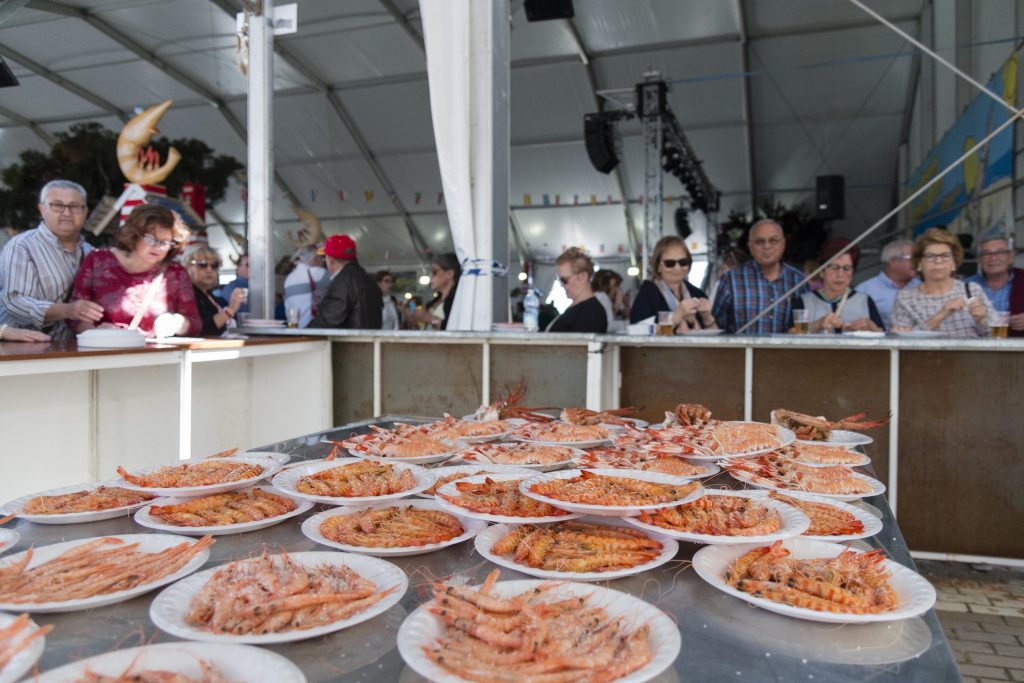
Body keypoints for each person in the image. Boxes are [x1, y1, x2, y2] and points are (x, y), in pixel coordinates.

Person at [71, 204, 201, 337]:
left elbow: (195, 323)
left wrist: (177, 323)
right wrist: (95, 333)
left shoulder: (176, 272)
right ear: (133, 235)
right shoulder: (98, 260)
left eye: (165, 243)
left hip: (155, 355)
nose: (157, 247)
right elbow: (75, 315)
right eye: (150, 239)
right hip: (104, 351)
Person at [0, 179, 103, 341]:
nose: (67, 213)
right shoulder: (22, 246)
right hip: (20, 349)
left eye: (75, 206)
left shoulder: (91, 253)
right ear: (42, 210)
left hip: (67, 350)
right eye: (57, 205)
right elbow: (14, 302)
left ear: (85, 212)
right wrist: (67, 310)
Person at [891, 227, 993, 337]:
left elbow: (998, 336)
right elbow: (900, 340)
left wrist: (982, 320)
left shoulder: (972, 290)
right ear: (919, 263)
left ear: (954, 262)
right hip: (925, 354)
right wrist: (942, 314)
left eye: (945, 256)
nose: (938, 261)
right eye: (930, 256)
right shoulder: (906, 298)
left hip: (969, 354)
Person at [712, 219, 808, 334]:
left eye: (773, 240)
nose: (767, 246)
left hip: (786, 351)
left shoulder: (799, 280)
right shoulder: (731, 280)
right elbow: (717, 327)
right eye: (759, 241)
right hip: (742, 351)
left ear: (783, 244)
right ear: (750, 247)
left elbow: (806, 327)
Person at [793, 238, 884, 333]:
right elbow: (792, 334)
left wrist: (871, 327)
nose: (840, 274)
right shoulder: (804, 301)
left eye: (847, 268)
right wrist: (818, 324)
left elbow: (883, 335)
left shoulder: (865, 301)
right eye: (834, 267)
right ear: (821, 271)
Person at [630, 235, 716, 333]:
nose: (677, 268)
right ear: (658, 266)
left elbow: (718, 340)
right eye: (670, 263)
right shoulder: (648, 292)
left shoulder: (697, 293)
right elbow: (637, 332)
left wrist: (707, 318)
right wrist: (676, 317)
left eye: (683, 262)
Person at [307, 234, 382, 329]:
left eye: (324, 257)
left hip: (351, 343)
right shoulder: (369, 279)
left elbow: (328, 322)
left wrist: (300, 335)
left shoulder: (343, 282)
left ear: (331, 260)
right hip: (368, 342)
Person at [967, 234, 1024, 336]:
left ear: (1011, 257)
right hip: (976, 348)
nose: (993, 258)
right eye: (986, 253)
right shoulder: (967, 286)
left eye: (1000, 252)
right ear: (979, 259)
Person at [856, 238, 919, 329]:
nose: (917, 262)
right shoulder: (865, 290)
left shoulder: (922, 287)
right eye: (912, 258)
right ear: (893, 261)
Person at [185, 245, 246, 336]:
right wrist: (231, 309)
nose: (209, 270)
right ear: (188, 267)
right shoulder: (187, 296)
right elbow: (201, 330)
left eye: (214, 265)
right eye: (202, 264)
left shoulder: (213, 298)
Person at [546, 248, 607, 333]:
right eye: (558, 279)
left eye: (564, 279)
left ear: (583, 277)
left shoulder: (591, 312)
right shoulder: (578, 307)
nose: (561, 284)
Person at [412, 253, 461, 330]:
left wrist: (430, 319)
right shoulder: (435, 301)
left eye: (434, 272)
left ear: (449, 274)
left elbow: (451, 326)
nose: (430, 276)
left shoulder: (457, 301)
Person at [283, 246, 327, 328]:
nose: (322, 261)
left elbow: (289, 306)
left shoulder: (289, 278)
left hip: (294, 328)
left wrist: (293, 328)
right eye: (321, 258)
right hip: (313, 329)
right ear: (315, 259)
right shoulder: (320, 273)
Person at [592, 269, 626, 333]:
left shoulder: (597, 296)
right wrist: (626, 324)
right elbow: (608, 326)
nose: (617, 290)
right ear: (606, 286)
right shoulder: (602, 296)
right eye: (615, 286)